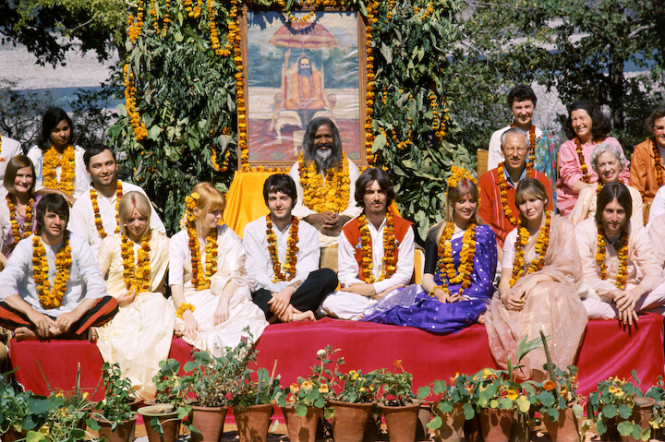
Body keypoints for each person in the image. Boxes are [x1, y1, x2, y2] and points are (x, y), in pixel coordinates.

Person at [363, 167, 497, 333]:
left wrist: (467, 298)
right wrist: (440, 293)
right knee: (417, 310)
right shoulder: (436, 233)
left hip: (473, 297)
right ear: (451, 203)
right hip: (441, 294)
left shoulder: (484, 233)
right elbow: (427, 278)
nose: (468, 206)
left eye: (472, 201)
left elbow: (486, 279)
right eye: (461, 201)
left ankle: (470, 312)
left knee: (457, 311)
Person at [485, 178, 586, 381]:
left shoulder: (562, 227)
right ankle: (534, 377)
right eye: (523, 202)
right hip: (522, 295)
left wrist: (535, 279)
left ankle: (547, 376)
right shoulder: (515, 236)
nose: (529, 207)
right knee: (537, 295)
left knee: (545, 292)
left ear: (545, 200)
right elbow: (505, 279)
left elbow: (568, 268)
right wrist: (505, 297)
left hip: (558, 289)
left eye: (533, 200)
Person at [0, 194, 117, 340]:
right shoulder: (26, 246)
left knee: (110, 303)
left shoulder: (78, 244)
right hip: (35, 315)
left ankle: (39, 334)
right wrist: (32, 314)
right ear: (41, 218)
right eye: (52, 216)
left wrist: (74, 314)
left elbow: (97, 286)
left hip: (72, 315)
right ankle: (75, 334)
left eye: (62, 217)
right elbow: (4, 285)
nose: (57, 222)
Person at [169, 182, 267, 356]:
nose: (219, 216)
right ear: (196, 212)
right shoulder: (179, 240)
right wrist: (187, 315)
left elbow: (237, 274)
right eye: (213, 212)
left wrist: (223, 302)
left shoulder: (226, 234)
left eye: (220, 211)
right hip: (189, 299)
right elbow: (175, 285)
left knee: (247, 311)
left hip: (222, 294)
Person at [95, 192, 174, 400]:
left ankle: (145, 391)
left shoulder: (163, 243)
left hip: (152, 302)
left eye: (142, 218)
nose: (137, 224)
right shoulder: (111, 243)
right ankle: (128, 391)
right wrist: (114, 301)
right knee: (122, 338)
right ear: (122, 220)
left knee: (153, 321)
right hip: (116, 305)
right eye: (131, 220)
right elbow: (95, 282)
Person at [318, 167, 414, 320]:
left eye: (380, 191)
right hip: (361, 297)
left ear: (387, 194)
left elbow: (404, 274)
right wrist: (370, 292)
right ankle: (381, 314)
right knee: (329, 301)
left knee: (417, 293)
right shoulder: (348, 230)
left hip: (392, 293)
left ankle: (369, 314)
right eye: (370, 192)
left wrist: (375, 289)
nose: (376, 198)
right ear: (362, 196)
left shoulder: (404, 228)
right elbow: (346, 275)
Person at [243, 174, 338, 323]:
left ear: (294, 200)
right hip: (266, 293)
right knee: (252, 291)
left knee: (328, 276)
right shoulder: (253, 229)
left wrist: (288, 292)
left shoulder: (308, 231)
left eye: (283, 198)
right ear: (267, 202)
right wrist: (277, 295)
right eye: (273, 198)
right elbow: (256, 272)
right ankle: (292, 315)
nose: (278, 204)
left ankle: (275, 316)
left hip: (294, 290)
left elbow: (306, 270)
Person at [576, 182, 665, 325]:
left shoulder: (635, 229)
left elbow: (654, 271)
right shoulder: (584, 230)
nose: (615, 218)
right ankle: (628, 310)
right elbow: (588, 278)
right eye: (609, 211)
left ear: (628, 212)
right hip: (598, 295)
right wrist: (615, 294)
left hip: (630, 292)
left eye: (620, 212)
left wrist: (636, 293)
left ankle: (620, 310)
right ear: (600, 211)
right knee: (584, 307)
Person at [288, 117, 361, 267]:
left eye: (327, 136)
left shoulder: (350, 168)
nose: (323, 141)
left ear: (335, 139)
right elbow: (291, 204)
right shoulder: (297, 169)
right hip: (309, 235)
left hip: (343, 234)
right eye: (317, 137)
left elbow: (358, 203)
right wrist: (313, 217)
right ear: (310, 140)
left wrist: (342, 218)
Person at [68, 144, 165, 256]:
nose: (104, 170)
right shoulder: (82, 205)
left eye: (109, 164)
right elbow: (79, 249)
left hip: (139, 266)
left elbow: (159, 233)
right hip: (100, 270)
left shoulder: (134, 192)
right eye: (97, 166)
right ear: (88, 171)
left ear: (116, 165)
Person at [479, 128, 553, 250]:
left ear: (528, 151)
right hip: (497, 249)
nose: (515, 154)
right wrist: (501, 258)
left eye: (520, 149)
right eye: (510, 149)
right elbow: (484, 225)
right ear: (502, 151)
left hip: (534, 249)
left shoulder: (540, 180)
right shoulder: (488, 180)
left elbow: (548, 220)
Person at [556, 100, 628, 216]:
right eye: (574, 119)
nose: (578, 123)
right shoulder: (567, 147)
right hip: (577, 200)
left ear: (593, 119)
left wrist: (610, 193)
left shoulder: (611, 142)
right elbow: (572, 181)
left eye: (582, 118)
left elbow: (623, 174)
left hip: (613, 196)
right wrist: (596, 192)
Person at [27, 107, 90, 204]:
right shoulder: (37, 153)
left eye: (65, 129)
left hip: (75, 207)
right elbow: (30, 184)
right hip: (44, 207)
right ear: (48, 132)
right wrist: (60, 193)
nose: (62, 134)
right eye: (56, 131)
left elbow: (85, 186)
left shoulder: (79, 153)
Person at [569, 142, 643, 225]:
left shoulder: (633, 194)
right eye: (602, 165)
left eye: (611, 163)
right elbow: (573, 225)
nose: (607, 169)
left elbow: (637, 228)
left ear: (620, 165)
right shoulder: (587, 193)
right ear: (596, 169)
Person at [487, 85, 543, 171]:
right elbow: (493, 173)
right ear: (511, 108)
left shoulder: (542, 137)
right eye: (518, 108)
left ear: (534, 105)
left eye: (527, 107)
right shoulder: (498, 136)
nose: (523, 112)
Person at [0, 156, 40, 266]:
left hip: (39, 268)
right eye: (19, 175)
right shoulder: (2, 208)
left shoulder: (41, 204)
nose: (24, 181)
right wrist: (12, 270)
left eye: (28, 176)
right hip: (8, 267)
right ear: (11, 177)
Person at [630, 107, 665, 205]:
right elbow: (636, 189)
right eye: (660, 128)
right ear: (652, 129)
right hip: (652, 207)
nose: (664, 133)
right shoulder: (642, 150)